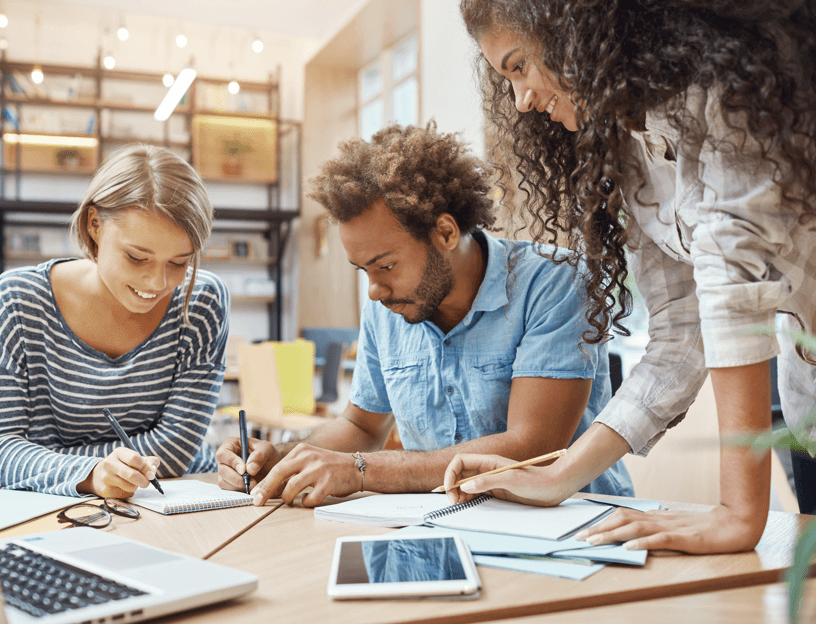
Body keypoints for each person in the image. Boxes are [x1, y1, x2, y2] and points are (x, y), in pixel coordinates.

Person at [446, 0, 816, 554]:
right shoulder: (627, 145)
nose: (521, 100)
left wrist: (740, 511)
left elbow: (730, 287)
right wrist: (559, 475)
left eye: (520, 66)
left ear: (573, 32)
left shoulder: (721, 90)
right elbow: (680, 332)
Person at [216, 123, 633, 506]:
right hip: (445, 521)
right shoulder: (387, 306)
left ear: (446, 232)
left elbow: (532, 449)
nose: (374, 291)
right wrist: (285, 459)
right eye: (364, 271)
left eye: (386, 266)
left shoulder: (555, 282)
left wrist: (361, 471)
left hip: (572, 524)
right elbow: (362, 427)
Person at [0, 144, 229, 499]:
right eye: (137, 258)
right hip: (57, 509)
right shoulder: (19, 301)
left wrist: (45, 462)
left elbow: (174, 450)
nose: (157, 283)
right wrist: (90, 474)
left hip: (175, 497)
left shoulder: (201, 302)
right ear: (95, 224)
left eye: (179, 263)